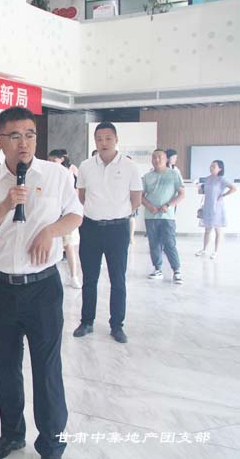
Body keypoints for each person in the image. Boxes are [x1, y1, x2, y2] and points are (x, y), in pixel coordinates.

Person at [0, 107, 82, 459]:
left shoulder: (56, 174)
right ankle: (12, 434)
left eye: (30, 135)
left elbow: (75, 214)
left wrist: (51, 231)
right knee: (6, 368)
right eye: (15, 136)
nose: (24, 143)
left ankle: (51, 442)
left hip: (42, 287)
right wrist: (5, 204)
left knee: (47, 369)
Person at [74, 122, 142, 344]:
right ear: (94, 141)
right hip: (90, 228)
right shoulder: (85, 166)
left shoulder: (130, 167)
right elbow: (82, 196)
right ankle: (87, 321)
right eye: (99, 139)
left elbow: (136, 199)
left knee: (118, 279)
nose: (104, 143)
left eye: (108, 138)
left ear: (116, 140)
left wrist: (116, 213)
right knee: (89, 279)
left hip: (117, 229)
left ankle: (117, 325)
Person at [142, 149, 185, 283]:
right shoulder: (147, 177)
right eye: (154, 157)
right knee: (154, 243)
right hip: (151, 216)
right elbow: (140, 196)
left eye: (160, 157)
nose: (156, 160)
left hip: (167, 216)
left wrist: (169, 205)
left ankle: (176, 270)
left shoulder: (174, 174)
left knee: (169, 243)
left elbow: (182, 194)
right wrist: (149, 206)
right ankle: (157, 269)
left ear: (166, 159)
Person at [48, 149, 82, 288]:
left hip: (65, 215)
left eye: (54, 160)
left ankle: (74, 276)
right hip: (51, 215)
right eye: (50, 160)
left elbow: (76, 192)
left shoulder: (70, 172)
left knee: (68, 245)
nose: (51, 163)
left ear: (62, 159)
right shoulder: (49, 174)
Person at [196, 160, 237, 259]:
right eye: (211, 166)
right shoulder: (208, 179)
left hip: (217, 207)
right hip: (207, 206)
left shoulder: (222, 179)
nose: (211, 168)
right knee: (207, 229)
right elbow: (203, 192)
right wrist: (198, 187)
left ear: (220, 169)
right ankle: (204, 249)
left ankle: (216, 251)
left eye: (214, 166)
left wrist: (224, 195)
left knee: (217, 229)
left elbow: (234, 188)